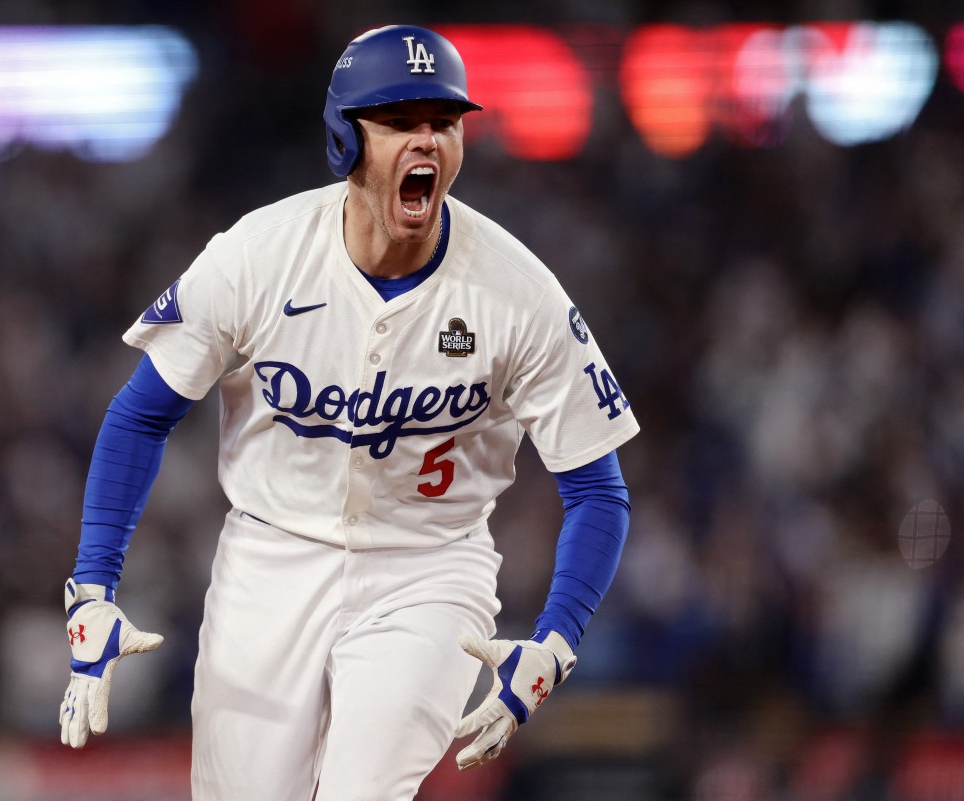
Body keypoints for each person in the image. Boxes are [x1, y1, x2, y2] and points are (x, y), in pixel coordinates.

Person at [58, 24, 638, 801]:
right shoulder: (258, 256)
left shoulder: (520, 293)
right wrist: (92, 586)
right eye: (398, 122)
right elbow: (140, 415)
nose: (425, 140)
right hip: (270, 558)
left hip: (429, 567)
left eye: (443, 122)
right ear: (344, 139)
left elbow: (598, 490)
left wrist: (557, 638)